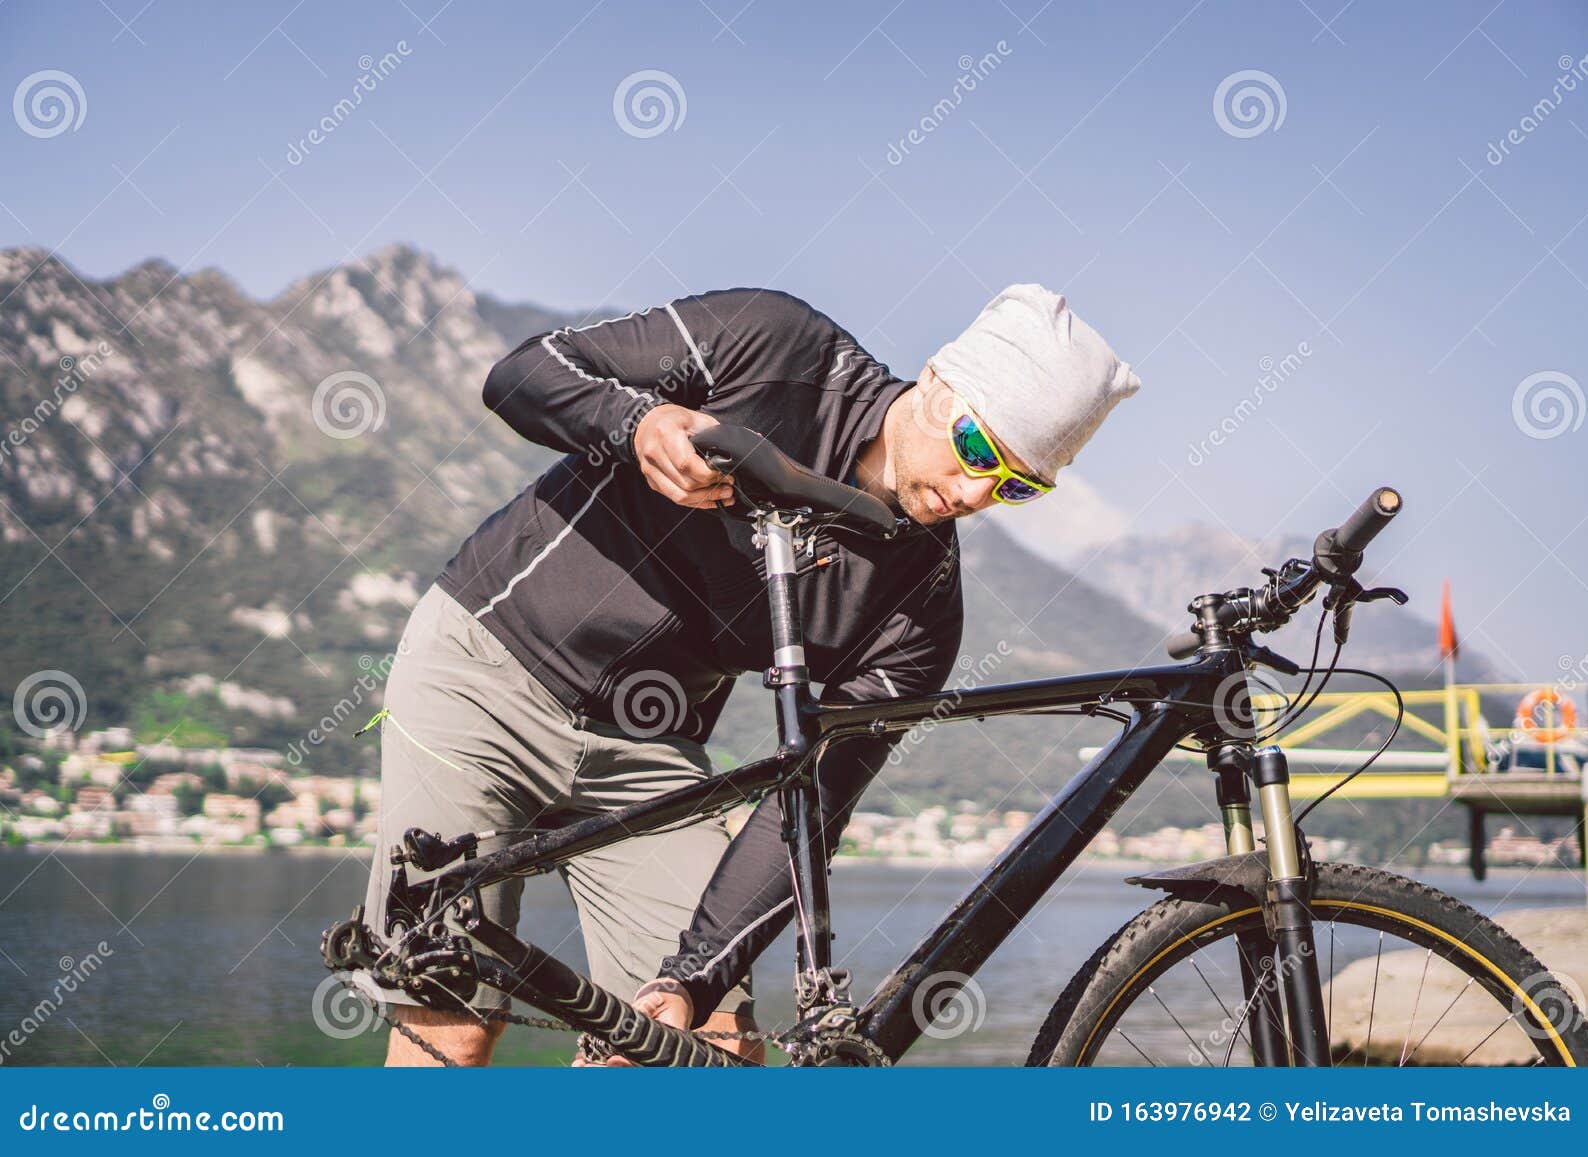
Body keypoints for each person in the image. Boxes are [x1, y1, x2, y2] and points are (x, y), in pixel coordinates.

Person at [355, 283, 1140, 1065]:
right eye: (978, 448)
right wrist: (638, 423)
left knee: (704, 1046)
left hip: (648, 750)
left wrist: (694, 978)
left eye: (1016, 484)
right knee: (453, 1020)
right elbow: (524, 374)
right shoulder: (777, 343)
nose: (975, 494)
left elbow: (812, 804)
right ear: (937, 382)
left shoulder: (922, 609)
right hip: (486, 669)